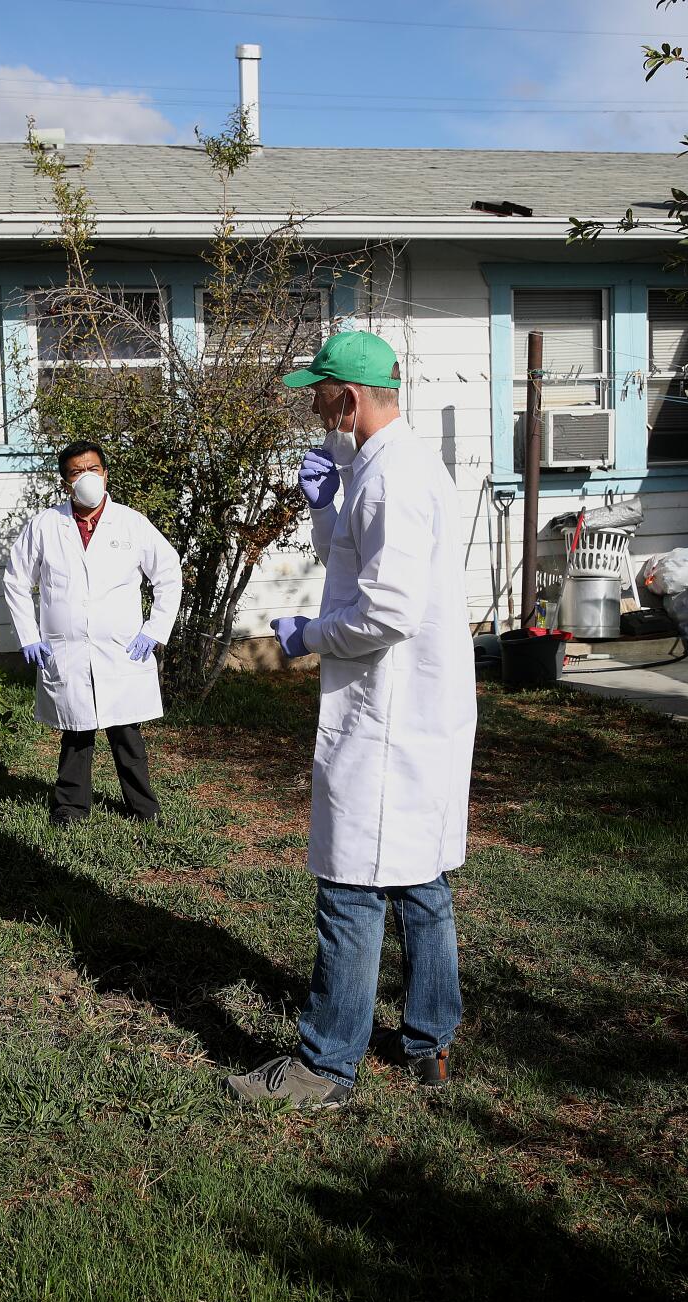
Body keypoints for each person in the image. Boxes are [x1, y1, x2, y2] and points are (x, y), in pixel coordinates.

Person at [226, 330, 476, 1110]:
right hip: (412, 707)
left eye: (318, 392)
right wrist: (327, 502)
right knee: (419, 881)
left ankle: (326, 1066)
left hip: (388, 713)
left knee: (351, 888)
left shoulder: (391, 479)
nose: (312, 405)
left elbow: (386, 611)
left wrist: (306, 636)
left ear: (351, 397)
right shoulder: (388, 466)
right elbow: (360, 560)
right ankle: (430, 1040)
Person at [2, 442, 183, 825]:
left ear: (105, 472)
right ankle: (70, 808)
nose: (87, 477)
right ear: (65, 481)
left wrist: (155, 630)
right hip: (66, 651)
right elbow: (17, 581)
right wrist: (28, 635)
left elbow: (168, 574)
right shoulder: (46, 525)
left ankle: (144, 809)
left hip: (122, 651)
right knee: (76, 732)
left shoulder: (132, 523)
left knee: (126, 734)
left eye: (94, 468)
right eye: (76, 471)